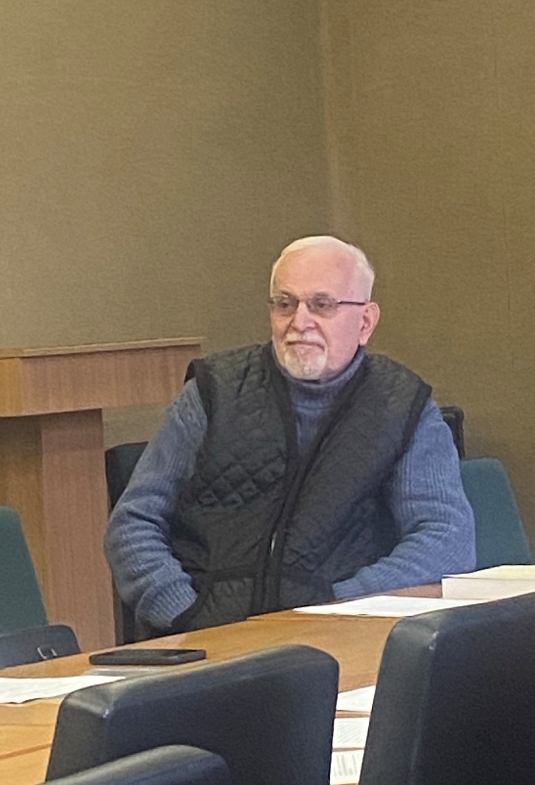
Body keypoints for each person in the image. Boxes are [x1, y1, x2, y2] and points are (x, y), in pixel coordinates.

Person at [105, 235, 476, 638]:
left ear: (365, 322)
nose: (299, 322)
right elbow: (134, 524)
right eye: (285, 304)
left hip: (340, 639)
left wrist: (339, 608)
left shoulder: (404, 407)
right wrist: (183, 613)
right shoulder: (213, 393)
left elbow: (445, 540)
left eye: (321, 305)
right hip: (204, 640)